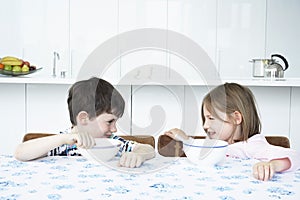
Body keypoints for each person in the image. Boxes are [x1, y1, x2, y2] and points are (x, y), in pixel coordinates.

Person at [165, 82, 300, 181]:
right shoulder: (218, 144)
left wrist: (272, 165)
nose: (205, 125)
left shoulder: (252, 145)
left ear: (236, 118)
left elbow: (294, 156)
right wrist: (185, 139)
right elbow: (201, 150)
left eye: (211, 118)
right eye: (205, 119)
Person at [14, 77, 155, 168]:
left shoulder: (112, 144)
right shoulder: (62, 145)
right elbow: (20, 153)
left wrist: (138, 155)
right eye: (110, 121)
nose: (114, 129)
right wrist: (63, 138)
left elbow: (147, 149)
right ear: (84, 118)